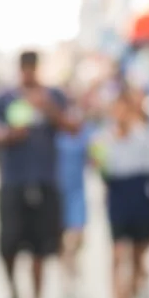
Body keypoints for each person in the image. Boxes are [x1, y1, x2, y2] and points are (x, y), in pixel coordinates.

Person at [0, 51, 78, 298]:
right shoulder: (5, 99)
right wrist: (11, 134)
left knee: (41, 248)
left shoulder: (53, 97)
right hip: (13, 182)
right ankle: (14, 294)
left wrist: (50, 111)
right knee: (8, 246)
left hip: (45, 182)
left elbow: (73, 127)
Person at [91, 95, 149, 298]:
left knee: (138, 255)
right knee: (119, 258)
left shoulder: (146, 137)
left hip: (141, 199)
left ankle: (134, 285)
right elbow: (101, 170)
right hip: (119, 201)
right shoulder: (104, 139)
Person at [56, 102, 94, 279]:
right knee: (63, 231)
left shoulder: (85, 135)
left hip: (77, 191)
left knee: (78, 233)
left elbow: (93, 158)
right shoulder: (56, 136)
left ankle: (71, 257)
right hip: (58, 191)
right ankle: (65, 259)